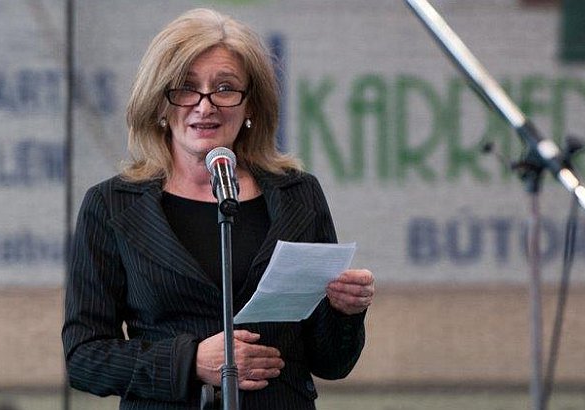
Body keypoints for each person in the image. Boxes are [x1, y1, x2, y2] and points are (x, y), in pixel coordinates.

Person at [62, 8, 375, 410]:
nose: (204, 105)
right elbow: (84, 358)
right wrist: (190, 361)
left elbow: (332, 363)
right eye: (185, 87)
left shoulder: (298, 196)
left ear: (251, 105)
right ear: (159, 103)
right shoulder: (112, 205)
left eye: (225, 88)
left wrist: (344, 311)